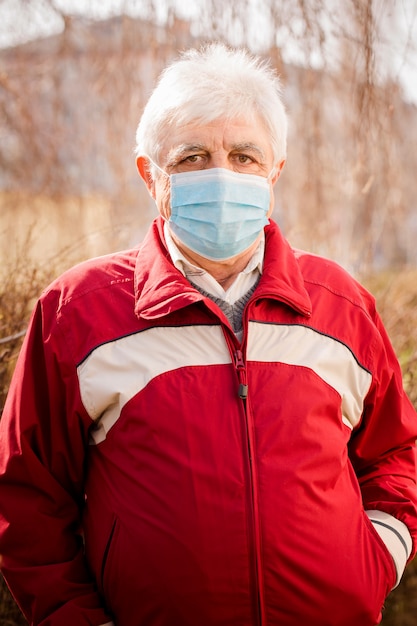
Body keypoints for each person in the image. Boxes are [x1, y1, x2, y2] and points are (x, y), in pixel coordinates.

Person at [0, 43, 416, 626]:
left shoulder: (342, 306)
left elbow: (396, 453)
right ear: (152, 176)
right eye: (193, 156)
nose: (222, 174)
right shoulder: (77, 313)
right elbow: (27, 496)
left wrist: (373, 560)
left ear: (275, 172)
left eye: (245, 155)